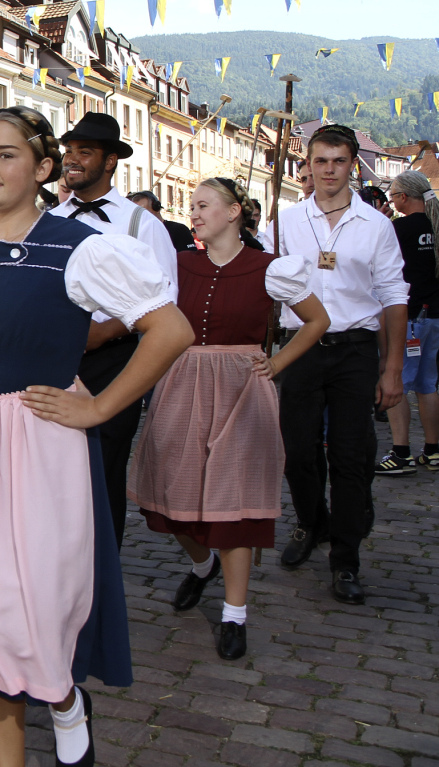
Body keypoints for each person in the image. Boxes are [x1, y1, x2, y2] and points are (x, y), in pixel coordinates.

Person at [0, 105, 192, 767]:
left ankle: (63, 698)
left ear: (42, 169)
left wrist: (100, 409)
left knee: (32, 593)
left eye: (6, 153)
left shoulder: (80, 247)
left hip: (40, 435)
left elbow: (169, 330)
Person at [128, 178, 329, 660]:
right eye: (192, 206)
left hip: (242, 388)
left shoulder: (268, 268)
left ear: (234, 211)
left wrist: (276, 364)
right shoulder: (176, 264)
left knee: (237, 504)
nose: (193, 213)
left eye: (203, 206)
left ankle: (234, 614)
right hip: (181, 381)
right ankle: (202, 568)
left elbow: (317, 321)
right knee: (171, 495)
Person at [275, 124, 408, 605]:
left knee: (351, 456)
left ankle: (346, 558)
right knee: (296, 451)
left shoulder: (376, 225)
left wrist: (391, 369)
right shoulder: (287, 221)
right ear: (307, 165)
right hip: (301, 347)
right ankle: (313, 522)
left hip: (355, 347)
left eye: (338, 161)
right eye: (321, 161)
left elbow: (394, 297)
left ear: (353, 164)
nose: (329, 170)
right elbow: (273, 284)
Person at [50, 111, 179, 549]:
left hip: (113, 361)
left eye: (84, 153)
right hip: (52, 357)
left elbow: (167, 300)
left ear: (110, 162)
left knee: (102, 469)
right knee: (51, 470)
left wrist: (103, 333)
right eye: (69, 152)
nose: (72, 161)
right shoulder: (47, 219)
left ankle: (102, 571)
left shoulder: (142, 225)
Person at [374, 170, 439, 473]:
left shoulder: (398, 228)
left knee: (396, 380)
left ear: (402, 197)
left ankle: (401, 452)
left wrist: (379, 222)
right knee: (428, 385)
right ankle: (432, 450)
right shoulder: (435, 225)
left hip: (410, 315)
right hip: (435, 314)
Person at [128, 190, 197, 252]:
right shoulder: (134, 234)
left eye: (144, 212)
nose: (139, 216)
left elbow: (189, 260)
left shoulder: (179, 230)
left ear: (157, 208)